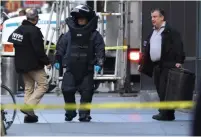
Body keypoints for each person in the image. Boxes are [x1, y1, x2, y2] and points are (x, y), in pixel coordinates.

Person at [54, 4, 105, 122]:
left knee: (87, 92)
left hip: (87, 69)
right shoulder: (69, 34)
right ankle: (70, 112)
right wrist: (57, 59)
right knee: (66, 90)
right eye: (79, 18)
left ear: (88, 19)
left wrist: (100, 62)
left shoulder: (94, 35)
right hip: (71, 68)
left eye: (83, 18)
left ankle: (84, 114)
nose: (81, 20)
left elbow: (100, 49)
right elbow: (61, 47)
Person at [138, 8, 185, 121]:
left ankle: (165, 113)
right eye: (151, 17)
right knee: (160, 89)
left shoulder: (170, 31)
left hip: (167, 65)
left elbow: (179, 46)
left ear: (162, 17)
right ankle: (168, 113)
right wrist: (142, 63)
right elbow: (147, 49)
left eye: (155, 17)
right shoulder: (153, 32)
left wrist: (179, 61)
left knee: (166, 90)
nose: (152, 19)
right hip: (156, 65)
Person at [8, 8, 51, 123]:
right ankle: (29, 107)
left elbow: (13, 43)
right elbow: (39, 50)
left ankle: (30, 116)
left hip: (21, 65)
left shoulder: (18, 30)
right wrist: (47, 62)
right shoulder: (34, 31)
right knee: (43, 85)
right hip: (34, 65)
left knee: (29, 88)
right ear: (36, 18)